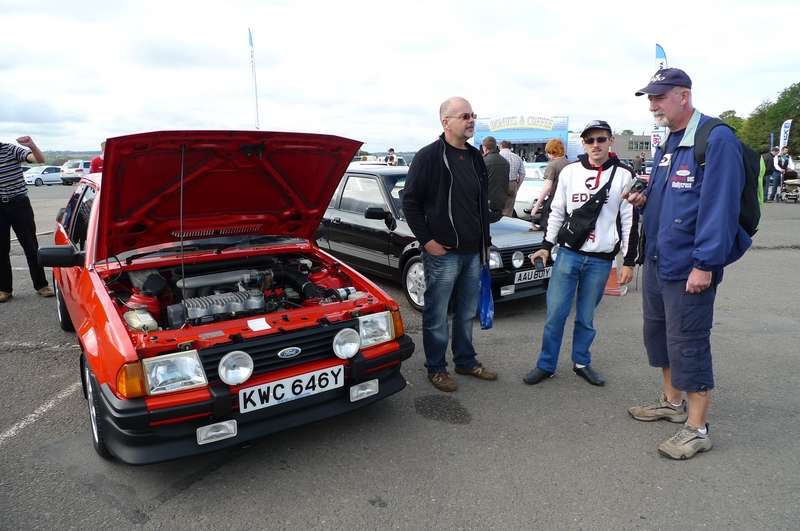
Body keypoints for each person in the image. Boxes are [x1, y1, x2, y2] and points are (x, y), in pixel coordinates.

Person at [626, 68, 752, 460]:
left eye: (659, 97)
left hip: (689, 266)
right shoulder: (672, 139)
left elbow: (720, 207)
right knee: (660, 336)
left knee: (689, 343)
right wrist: (645, 196)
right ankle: (671, 401)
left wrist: (706, 264)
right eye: (650, 98)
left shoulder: (716, 139)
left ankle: (697, 428)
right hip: (659, 259)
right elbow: (674, 192)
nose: (653, 105)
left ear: (684, 96)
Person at [523, 120, 637, 388]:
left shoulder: (624, 175)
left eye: (601, 139)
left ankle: (581, 362)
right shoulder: (570, 172)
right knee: (555, 315)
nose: (595, 145)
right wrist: (546, 245)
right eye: (590, 140)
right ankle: (546, 364)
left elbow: (629, 220)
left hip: (600, 260)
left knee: (586, 317)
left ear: (610, 141)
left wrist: (629, 260)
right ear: (583, 144)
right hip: (568, 255)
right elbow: (557, 212)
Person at [402, 96, 498, 392]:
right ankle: (436, 367)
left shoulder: (474, 157)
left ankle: (466, 361)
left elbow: (480, 204)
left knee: (466, 312)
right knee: (437, 313)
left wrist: (485, 245)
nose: (471, 120)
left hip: (472, 252)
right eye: (465, 116)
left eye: (473, 115)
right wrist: (427, 241)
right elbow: (410, 202)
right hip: (442, 253)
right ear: (446, 122)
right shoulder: (428, 156)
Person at [0, 136, 55, 303]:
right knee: (1, 250)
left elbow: (39, 159)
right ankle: (4, 289)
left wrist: (31, 145)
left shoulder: (10, 150)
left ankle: (41, 285)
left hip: (19, 204)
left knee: (31, 246)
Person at [528, 138, 568, 231]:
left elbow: (547, 187)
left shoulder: (552, 165)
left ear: (551, 151)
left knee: (549, 229)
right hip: (567, 201)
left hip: (554, 200)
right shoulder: (569, 163)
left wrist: (537, 205)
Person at [481, 136, 511, 214]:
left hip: (486, 201)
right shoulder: (505, 162)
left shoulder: (482, 161)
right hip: (501, 201)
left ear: (485, 147)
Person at [498, 140, 525, 216]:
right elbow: (522, 174)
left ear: (501, 146)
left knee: (498, 208)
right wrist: (517, 186)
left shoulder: (497, 156)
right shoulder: (517, 157)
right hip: (512, 184)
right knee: (509, 209)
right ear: (510, 147)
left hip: (499, 184)